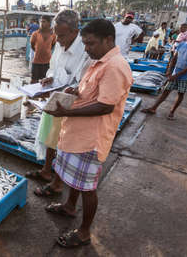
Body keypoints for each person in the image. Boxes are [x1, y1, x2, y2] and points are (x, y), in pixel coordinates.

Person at [43, 19, 133, 248]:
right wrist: (77, 91)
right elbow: (92, 93)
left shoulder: (115, 66)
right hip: (76, 135)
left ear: (109, 40)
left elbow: (106, 106)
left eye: (91, 44)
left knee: (88, 188)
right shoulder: (99, 62)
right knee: (75, 179)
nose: (86, 49)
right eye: (84, 43)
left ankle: (84, 232)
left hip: (91, 139)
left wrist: (67, 112)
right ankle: (69, 207)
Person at [25, 10, 90, 197]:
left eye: (61, 35)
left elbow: (86, 81)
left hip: (73, 104)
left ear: (74, 31)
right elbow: (53, 69)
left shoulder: (85, 49)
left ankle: (58, 183)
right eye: (56, 34)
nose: (58, 39)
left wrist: (75, 89)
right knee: (50, 135)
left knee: (65, 142)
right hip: (55, 97)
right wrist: (49, 79)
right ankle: (46, 170)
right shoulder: (60, 45)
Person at [142, 25, 187, 120]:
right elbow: (174, 58)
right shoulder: (182, 44)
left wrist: (175, 76)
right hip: (175, 72)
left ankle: (172, 112)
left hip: (186, 76)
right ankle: (153, 108)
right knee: (166, 91)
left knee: (180, 94)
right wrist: (169, 71)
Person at [29, 15, 56, 83]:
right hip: (36, 62)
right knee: (33, 81)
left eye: (44, 22)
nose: (41, 23)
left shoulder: (53, 34)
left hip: (47, 63)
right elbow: (32, 46)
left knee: (45, 82)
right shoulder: (35, 34)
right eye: (41, 22)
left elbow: (53, 45)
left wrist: (46, 50)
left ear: (49, 23)